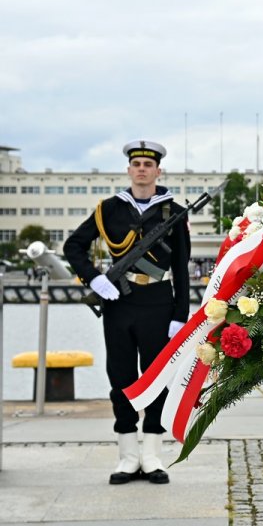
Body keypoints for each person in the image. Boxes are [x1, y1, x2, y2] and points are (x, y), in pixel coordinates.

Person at [64, 139, 190, 486]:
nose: (142, 169)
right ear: (129, 169)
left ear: (158, 170)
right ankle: (127, 456)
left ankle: (151, 455)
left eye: (148, 165)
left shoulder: (174, 211)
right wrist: (94, 279)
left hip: (159, 304)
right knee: (120, 377)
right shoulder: (109, 209)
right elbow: (72, 246)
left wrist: (180, 314)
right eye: (136, 164)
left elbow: (180, 266)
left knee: (156, 379)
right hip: (118, 303)